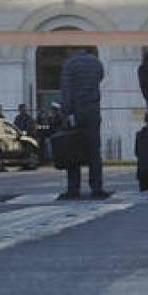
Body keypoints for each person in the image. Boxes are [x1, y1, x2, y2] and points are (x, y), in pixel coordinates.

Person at [58, 49, 109, 200]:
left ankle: (73, 189)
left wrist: (66, 112)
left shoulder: (70, 64)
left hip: (76, 111)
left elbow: (67, 90)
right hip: (93, 109)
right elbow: (100, 79)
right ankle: (97, 187)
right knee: (94, 150)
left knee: (72, 150)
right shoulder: (96, 63)